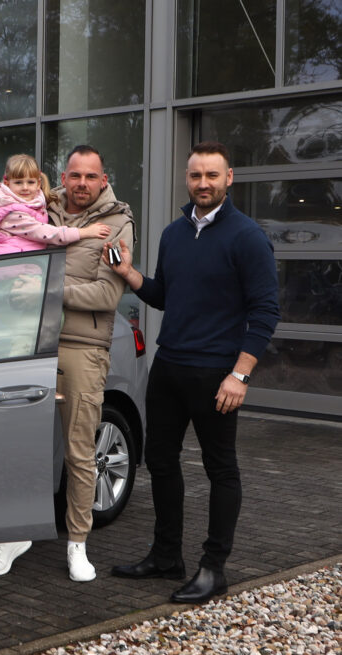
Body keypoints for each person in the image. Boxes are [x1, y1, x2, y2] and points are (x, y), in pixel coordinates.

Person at [106, 141, 279, 604]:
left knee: (220, 468)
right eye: (195, 175)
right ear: (187, 179)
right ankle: (166, 557)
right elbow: (166, 295)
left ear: (229, 179)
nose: (203, 183)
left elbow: (265, 311)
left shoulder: (247, 237)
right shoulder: (174, 234)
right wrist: (130, 275)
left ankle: (213, 567)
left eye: (211, 175)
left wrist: (239, 376)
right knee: (160, 461)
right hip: (170, 367)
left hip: (216, 375)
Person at [0, 146, 135, 582]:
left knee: (80, 450)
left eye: (91, 176)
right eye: (75, 176)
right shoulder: (37, 207)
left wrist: (44, 289)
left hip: (81, 346)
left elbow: (106, 296)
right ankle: (14, 534)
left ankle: (77, 543)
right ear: (62, 179)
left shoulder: (117, 225)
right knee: (15, 442)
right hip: (27, 341)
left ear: (103, 180)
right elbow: (3, 243)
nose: (82, 183)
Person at [0, 154, 110, 257]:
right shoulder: (10, 212)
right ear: (7, 183)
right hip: (10, 268)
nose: (25, 188)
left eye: (30, 182)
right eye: (18, 182)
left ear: (38, 184)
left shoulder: (33, 203)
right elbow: (46, 233)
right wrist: (85, 232)